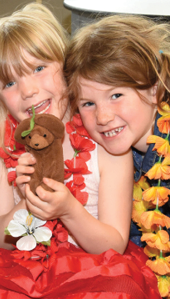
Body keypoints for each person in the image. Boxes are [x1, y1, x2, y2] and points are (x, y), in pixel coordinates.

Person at [0, 3, 160, 298]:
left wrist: (68, 210)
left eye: (39, 69)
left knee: (119, 288)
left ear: (66, 67)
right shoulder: (7, 150)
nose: (28, 91)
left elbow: (114, 243)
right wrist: (26, 203)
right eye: (10, 83)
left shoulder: (104, 142)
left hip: (92, 272)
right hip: (22, 269)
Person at [64, 14, 170, 297]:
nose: (102, 116)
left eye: (116, 95)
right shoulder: (105, 153)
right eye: (88, 103)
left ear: (154, 88)